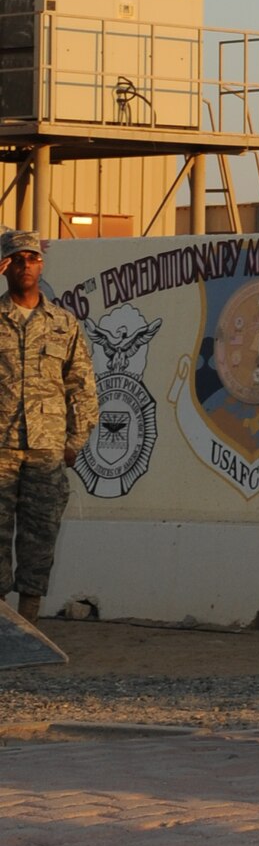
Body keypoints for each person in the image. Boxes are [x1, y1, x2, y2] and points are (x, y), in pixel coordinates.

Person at [0, 229, 98, 623]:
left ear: (42, 263)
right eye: (17, 259)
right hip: (2, 449)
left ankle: (28, 623)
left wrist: (74, 441)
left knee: (40, 538)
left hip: (46, 449)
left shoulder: (63, 322)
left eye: (33, 258)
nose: (27, 265)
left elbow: (83, 386)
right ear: (5, 266)